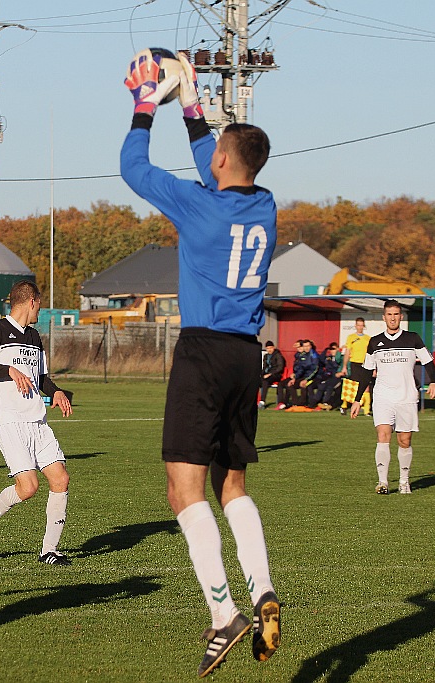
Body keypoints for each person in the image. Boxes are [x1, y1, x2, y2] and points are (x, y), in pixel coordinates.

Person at [120, 50, 280, 677]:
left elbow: (132, 167)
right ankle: (261, 587)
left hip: (205, 353)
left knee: (182, 491)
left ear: (220, 163)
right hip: (247, 357)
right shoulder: (262, 204)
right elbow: (217, 162)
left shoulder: (200, 204)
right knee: (231, 484)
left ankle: (224, 616)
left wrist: (144, 101)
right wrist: (188, 103)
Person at [0, 280, 75, 566]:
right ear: (32, 301)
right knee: (28, 487)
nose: (41, 308)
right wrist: (8, 369)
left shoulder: (35, 337)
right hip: (10, 422)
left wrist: (56, 391)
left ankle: (49, 550)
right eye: (40, 303)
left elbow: (40, 377)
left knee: (60, 478)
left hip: (37, 421)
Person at [350, 300, 435, 494]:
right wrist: (357, 399)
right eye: (389, 314)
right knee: (383, 436)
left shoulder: (413, 338)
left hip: (406, 396)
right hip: (382, 396)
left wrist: (433, 381)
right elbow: (366, 371)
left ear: (401, 316)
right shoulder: (374, 342)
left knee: (404, 441)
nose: (393, 317)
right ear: (384, 317)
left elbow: (429, 362)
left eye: (396, 314)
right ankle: (382, 482)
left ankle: (404, 481)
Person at [341, 318, 372, 416]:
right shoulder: (351, 337)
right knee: (352, 387)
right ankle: (344, 406)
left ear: (364, 326)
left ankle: (367, 411)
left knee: (366, 386)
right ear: (355, 326)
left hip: (365, 364)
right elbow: (347, 352)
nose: (360, 327)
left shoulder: (368, 338)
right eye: (358, 325)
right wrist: (344, 366)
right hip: (354, 364)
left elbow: (371, 354)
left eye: (361, 325)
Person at [259, 340, 285, 409]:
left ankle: (262, 401)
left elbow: (280, 367)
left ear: (273, 347)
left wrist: (270, 374)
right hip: (267, 374)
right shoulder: (266, 356)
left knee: (265, 381)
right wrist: (261, 374)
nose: (269, 350)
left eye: (270, 348)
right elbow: (264, 367)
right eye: (268, 348)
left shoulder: (278, 355)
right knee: (255, 381)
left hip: (276, 375)